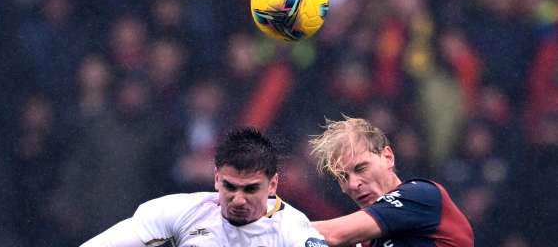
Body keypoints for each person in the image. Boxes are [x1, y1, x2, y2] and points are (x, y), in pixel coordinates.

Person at [81, 128, 327, 247]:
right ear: (217, 179)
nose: (238, 199)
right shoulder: (182, 211)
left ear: (272, 185)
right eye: (230, 187)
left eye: (250, 189)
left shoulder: (293, 230)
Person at [309, 116, 474, 247]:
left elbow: (332, 234)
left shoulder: (422, 195)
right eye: (343, 177)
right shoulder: (363, 241)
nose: (353, 184)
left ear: (388, 157)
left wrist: (283, 223)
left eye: (361, 168)